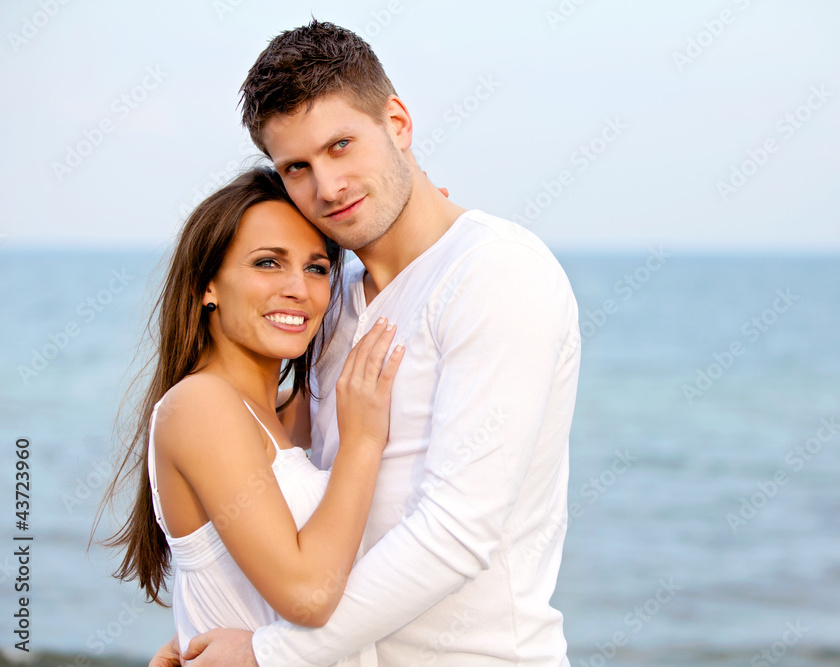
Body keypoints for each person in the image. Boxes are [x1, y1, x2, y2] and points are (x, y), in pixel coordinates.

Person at [161, 20, 581, 667]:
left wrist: (267, 651)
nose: (327, 187)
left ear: (398, 124)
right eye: (297, 166)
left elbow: (459, 529)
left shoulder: (495, 272)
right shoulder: (331, 298)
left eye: (341, 146)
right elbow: (275, 471)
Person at [97, 166, 403, 665]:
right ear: (206, 286)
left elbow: (373, 281)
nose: (298, 290)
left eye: (316, 268)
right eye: (267, 263)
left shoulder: (277, 415)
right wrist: (362, 445)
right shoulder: (201, 406)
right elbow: (308, 595)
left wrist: (405, 216)